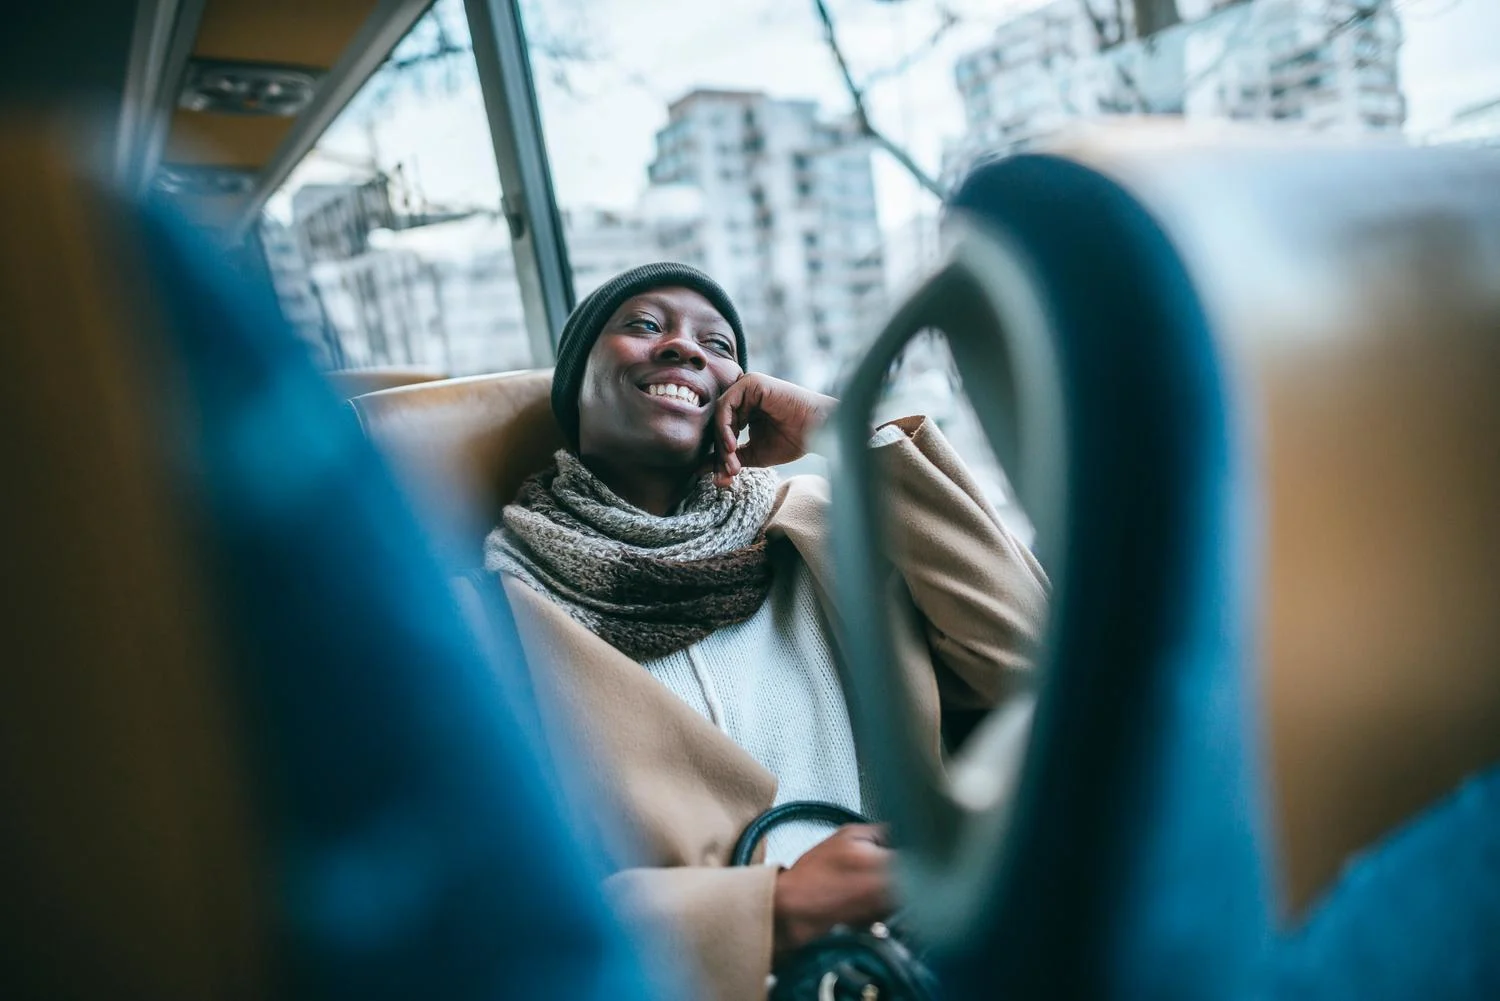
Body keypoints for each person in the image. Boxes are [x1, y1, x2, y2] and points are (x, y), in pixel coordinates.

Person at [482, 262, 1049, 1001]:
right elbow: (495, 905)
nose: (686, 349)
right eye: (645, 326)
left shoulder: (827, 521)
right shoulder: (492, 615)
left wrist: (850, 437)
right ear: (574, 382)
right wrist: (769, 912)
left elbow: (1035, 664)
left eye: (716, 344)